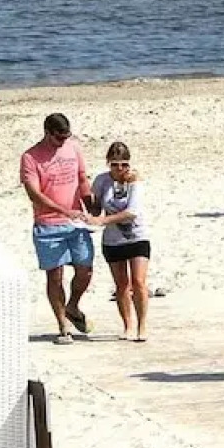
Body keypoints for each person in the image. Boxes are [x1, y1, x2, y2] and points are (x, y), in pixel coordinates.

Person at [19, 113, 94, 344]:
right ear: (47, 133)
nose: (62, 142)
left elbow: (82, 179)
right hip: (48, 224)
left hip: (76, 222)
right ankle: (63, 325)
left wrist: (90, 203)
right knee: (55, 276)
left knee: (85, 269)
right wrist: (64, 211)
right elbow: (34, 194)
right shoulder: (30, 157)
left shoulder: (73, 148)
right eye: (58, 138)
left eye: (66, 137)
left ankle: (72, 306)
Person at [87, 141, 151, 342]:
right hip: (113, 240)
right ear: (108, 163)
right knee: (121, 284)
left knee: (138, 282)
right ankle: (128, 325)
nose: (120, 169)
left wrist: (103, 220)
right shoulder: (102, 180)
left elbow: (132, 212)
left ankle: (142, 325)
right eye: (115, 164)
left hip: (137, 236)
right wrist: (89, 209)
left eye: (124, 164)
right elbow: (96, 207)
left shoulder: (134, 181)